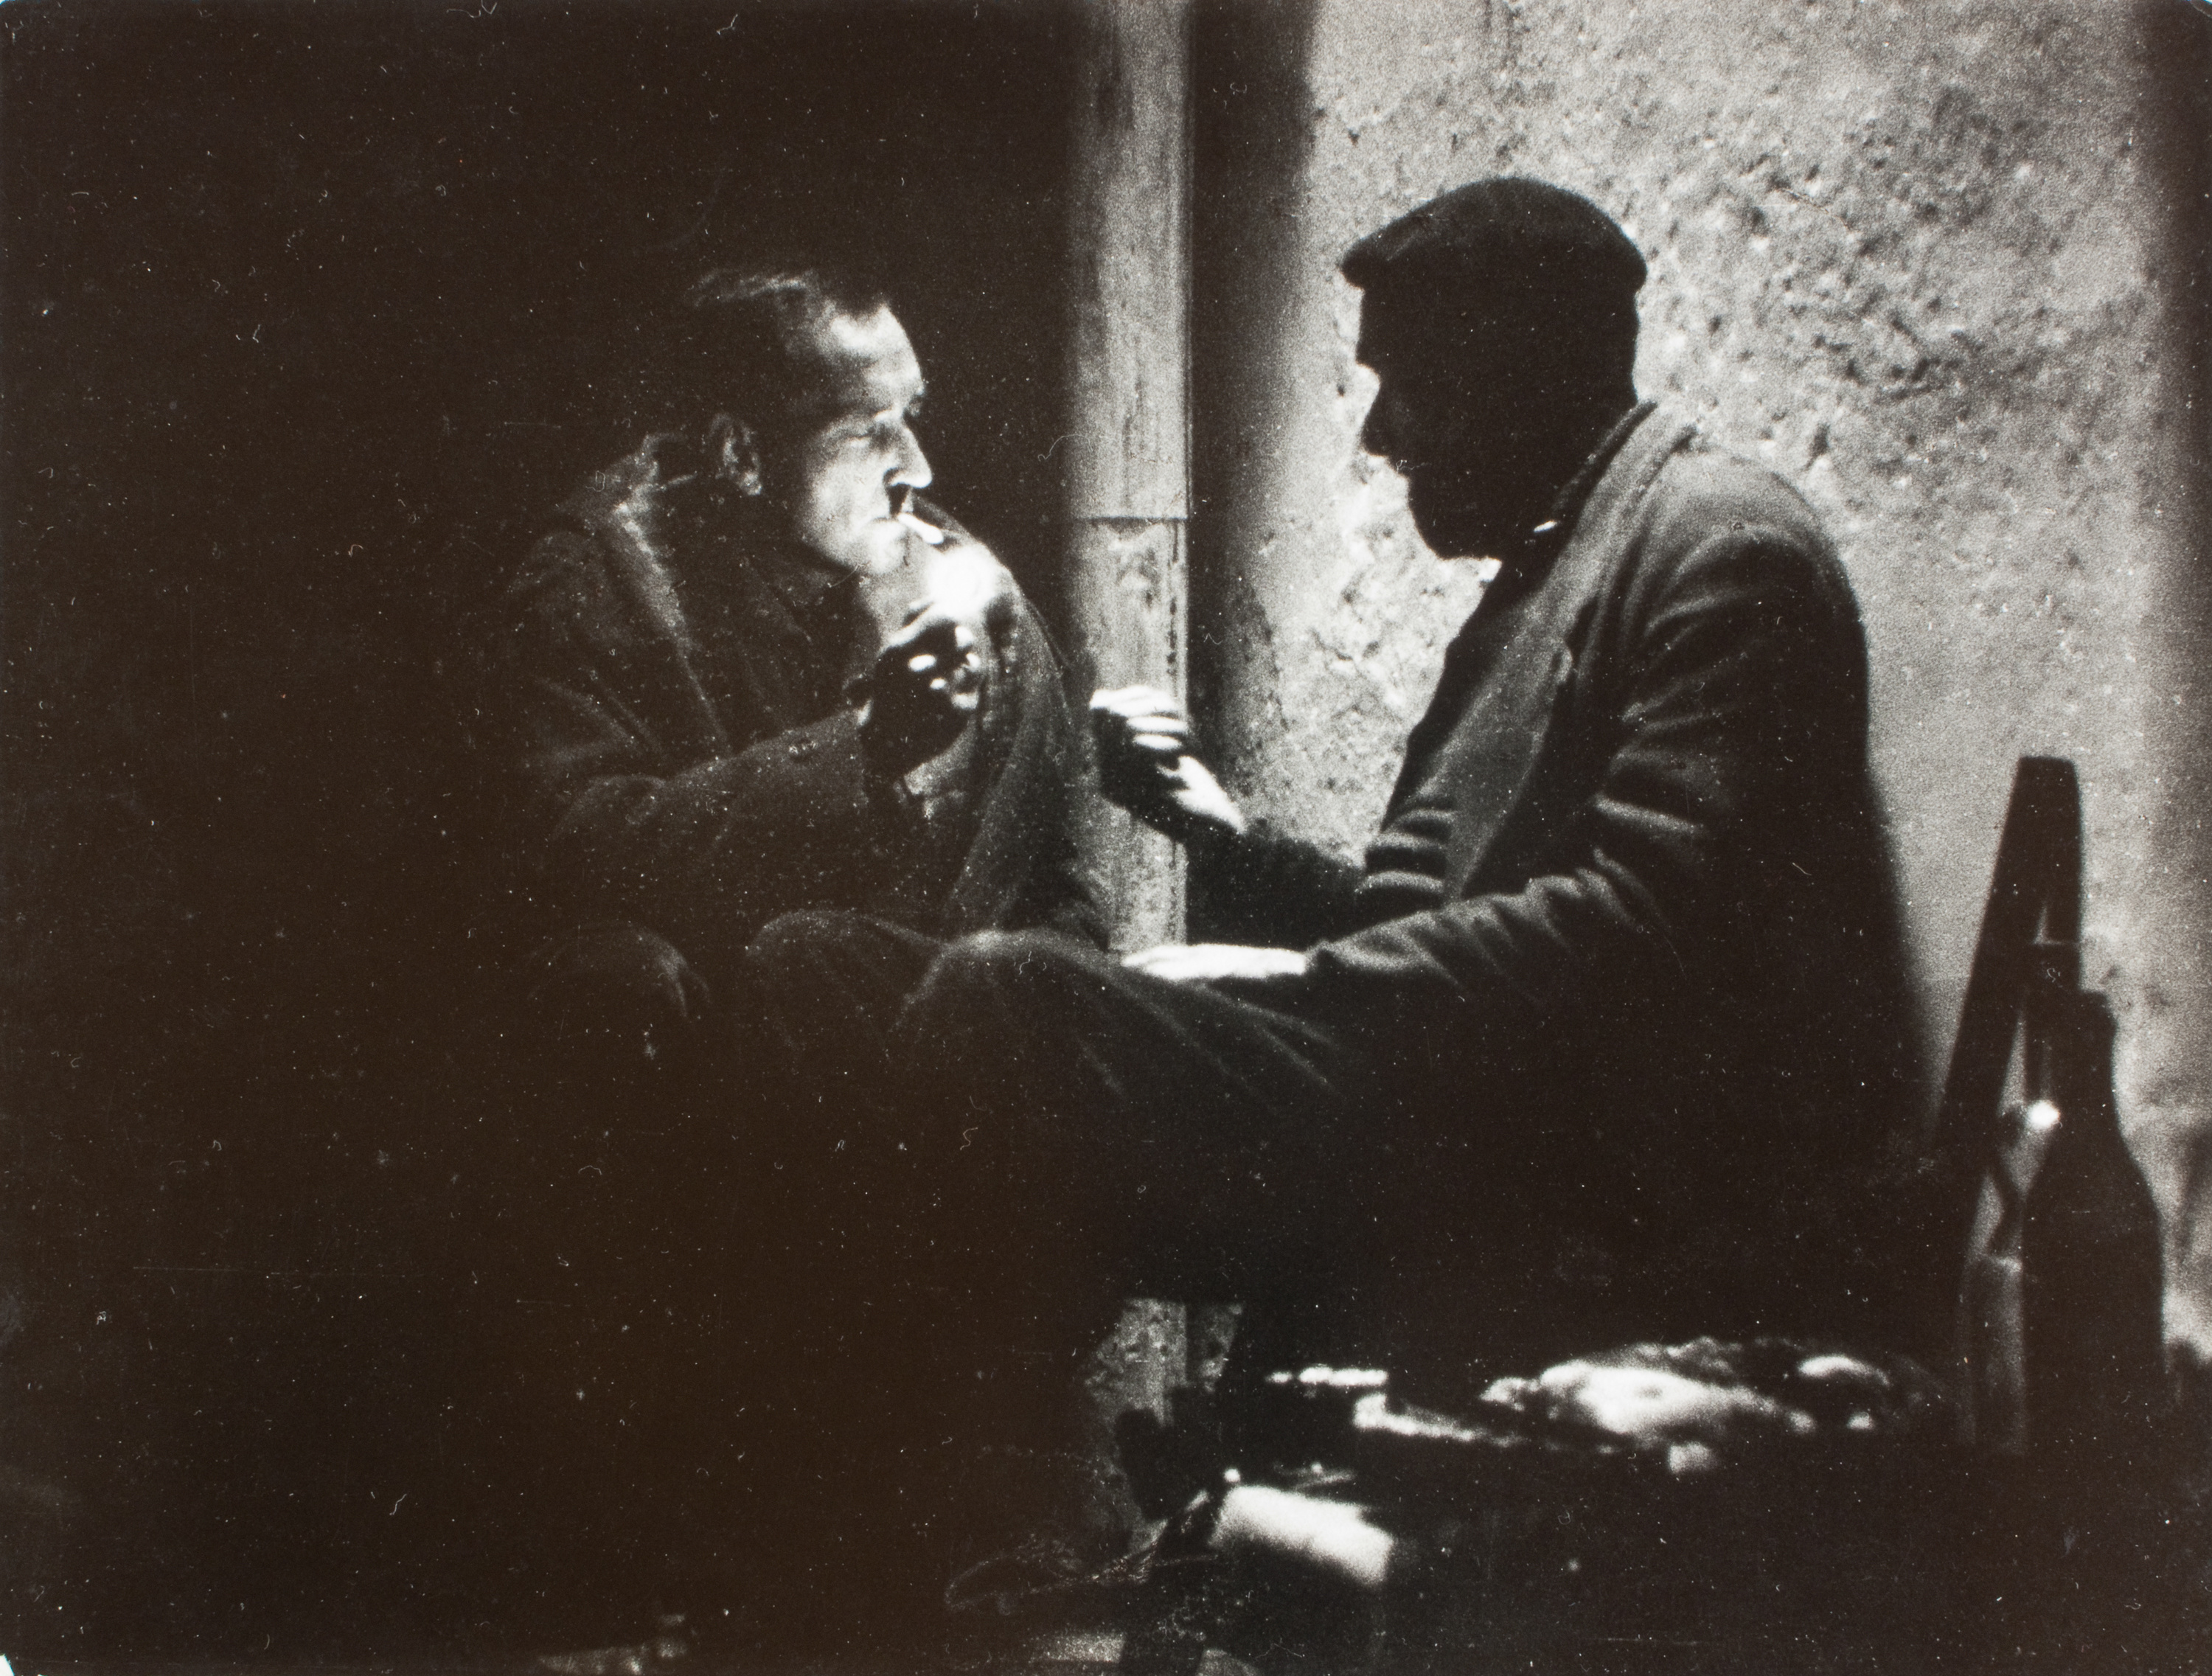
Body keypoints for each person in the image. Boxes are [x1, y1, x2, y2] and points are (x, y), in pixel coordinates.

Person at [741, 177, 1919, 1411]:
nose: (1380, 435)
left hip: (1526, 1153)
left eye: (1408, 385)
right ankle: (894, 1475)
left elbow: (1651, 932)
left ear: (1521, 373)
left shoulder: (1718, 550)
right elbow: (1424, 923)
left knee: (1004, 1000)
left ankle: (896, 1493)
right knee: (813, 967)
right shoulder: (1557, 559)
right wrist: (1226, 834)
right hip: (1415, 1087)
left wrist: (1304, 982)